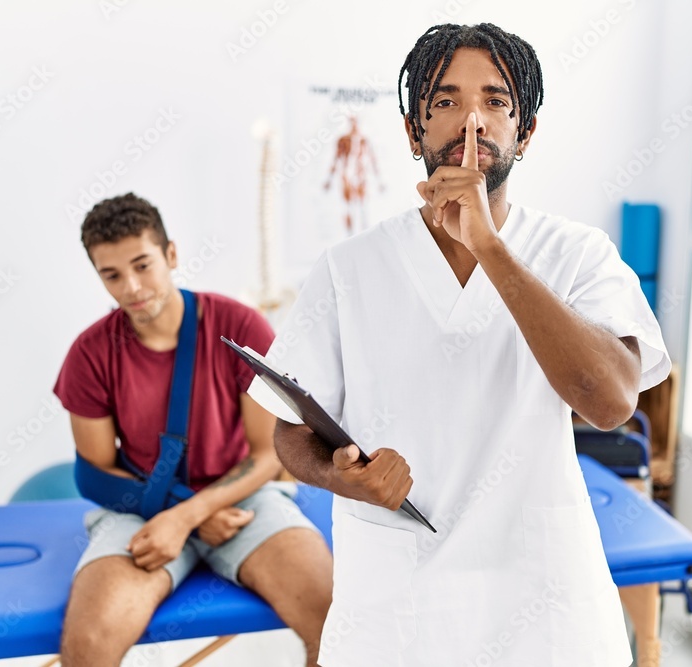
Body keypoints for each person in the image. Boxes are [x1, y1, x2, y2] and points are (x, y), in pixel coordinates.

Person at [248, 23, 670, 666]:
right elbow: (290, 433)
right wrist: (341, 477)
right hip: (398, 606)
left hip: (542, 602)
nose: (471, 120)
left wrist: (491, 249)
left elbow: (611, 403)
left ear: (525, 132)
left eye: (495, 101)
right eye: (445, 101)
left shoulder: (578, 254)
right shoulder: (348, 268)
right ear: (413, 131)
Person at [52, 193, 332, 667]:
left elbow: (269, 454)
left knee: (336, 623)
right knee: (88, 648)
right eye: (112, 275)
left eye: (142, 265)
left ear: (171, 254)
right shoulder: (90, 354)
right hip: (141, 506)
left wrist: (187, 517)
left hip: (244, 499)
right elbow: (94, 475)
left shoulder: (238, 325)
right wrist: (188, 514)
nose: (131, 287)